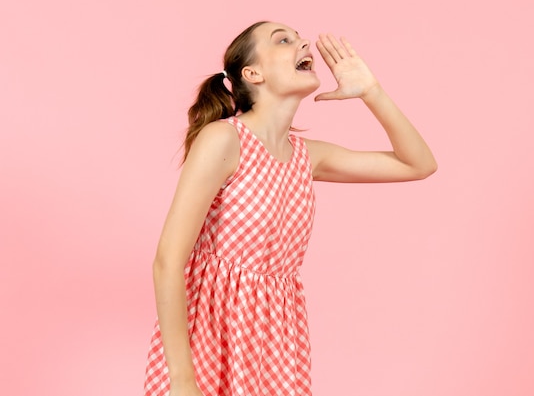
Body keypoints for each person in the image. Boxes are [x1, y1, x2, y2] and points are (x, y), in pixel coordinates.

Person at [144, 21, 437, 396]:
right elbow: (168, 261)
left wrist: (371, 92)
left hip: (275, 342)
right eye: (284, 40)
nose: (303, 42)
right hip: (211, 337)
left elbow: (418, 165)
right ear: (253, 73)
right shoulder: (223, 140)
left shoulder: (307, 157)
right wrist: (183, 382)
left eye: (299, 38)